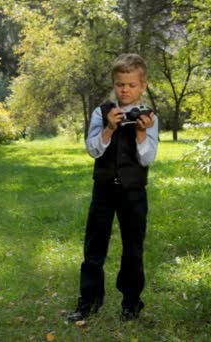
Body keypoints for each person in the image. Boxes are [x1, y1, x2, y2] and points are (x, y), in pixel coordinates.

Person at [67, 53, 158, 322]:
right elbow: (92, 150)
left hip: (134, 192)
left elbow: (148, 158)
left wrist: (141, 134)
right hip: (104, 189)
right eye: (120, 84)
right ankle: (89, 300)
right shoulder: (102, 112)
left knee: (133, 248)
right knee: (94, 246)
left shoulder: (149, 117)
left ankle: (131, 302)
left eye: (131, 85)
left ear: (142, 86)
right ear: (113, 84)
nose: (125, 90)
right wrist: (108, 129)